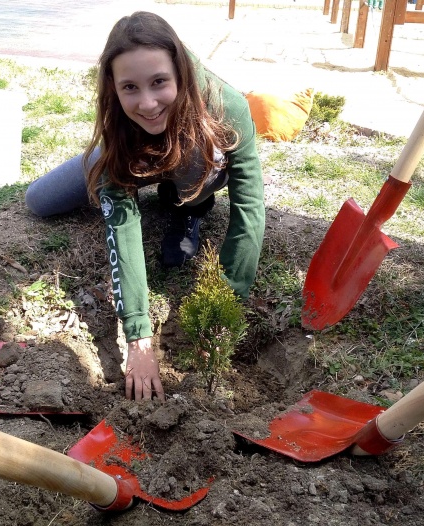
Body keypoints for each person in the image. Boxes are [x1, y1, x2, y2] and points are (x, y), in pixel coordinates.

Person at [25, 11, 265, 401]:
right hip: (138, 149)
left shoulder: (227, 109)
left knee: (189, 175)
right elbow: (123, 226)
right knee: (40, 200)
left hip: (195, 143)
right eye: (130, 88)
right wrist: (139, 336)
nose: (148, 102)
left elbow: (249, 208)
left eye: (159, 82)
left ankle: (187, 208)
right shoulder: (121, 119)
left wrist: (228, 300)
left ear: (180, 74)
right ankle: (151, 179)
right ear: (114, 90)